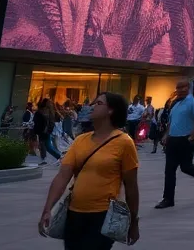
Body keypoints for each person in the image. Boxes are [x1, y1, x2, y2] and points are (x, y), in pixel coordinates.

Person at [39, 92, 141, 249]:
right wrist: (47, 209)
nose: (92, 107)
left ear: (111, 111)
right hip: (74, 215)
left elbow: (131, 186)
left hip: (102, 216)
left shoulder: (124, 143)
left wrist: (133, 222)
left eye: (98, 104)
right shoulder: (81, 140)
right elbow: (62, 177)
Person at [153, 80, 194, 209]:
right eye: (178, 88)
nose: (180, 90)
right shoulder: (175, 104)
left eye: (183, 87)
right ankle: (168, 199)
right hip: (173, 140)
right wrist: (166, 135)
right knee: (169, 170)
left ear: (188, 88)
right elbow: (171, 122)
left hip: (186, 139)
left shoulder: (192, 102)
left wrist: (192, 135)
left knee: (185, 167)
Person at [35, 99, 62, 164]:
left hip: (43, 131)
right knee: (46, 146)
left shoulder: (43, 111)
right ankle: (56, 157)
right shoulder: (50, 111)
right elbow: (51, 122)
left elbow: (41, 121)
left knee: (45, 146)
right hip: (46, 131)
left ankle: (46, 158)